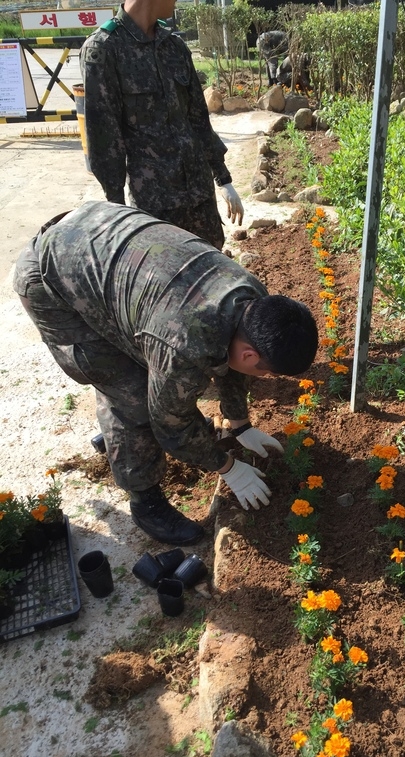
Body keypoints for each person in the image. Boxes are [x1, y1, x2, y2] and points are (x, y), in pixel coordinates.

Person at [14, 202, 319, 546]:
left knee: (155, 375)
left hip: (99, 235)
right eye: (268, 373)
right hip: (50, 278)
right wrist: (228, 467)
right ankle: (146, 501)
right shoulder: (182, 346)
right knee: (131, 394)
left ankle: (123, 441)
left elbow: (234, 362)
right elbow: (169, 427)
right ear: (252, 354)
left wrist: (240, 423)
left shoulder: (252, 299)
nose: (265, 379)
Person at [79, 0, 243, 250]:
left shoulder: (174, 46)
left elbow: (198, 119)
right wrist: (118, 211)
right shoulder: (104, 49)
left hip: (199, 197)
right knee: (164, 283)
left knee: (211, 273)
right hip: (156, 206)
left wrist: (223, 179)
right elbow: (105, 140)